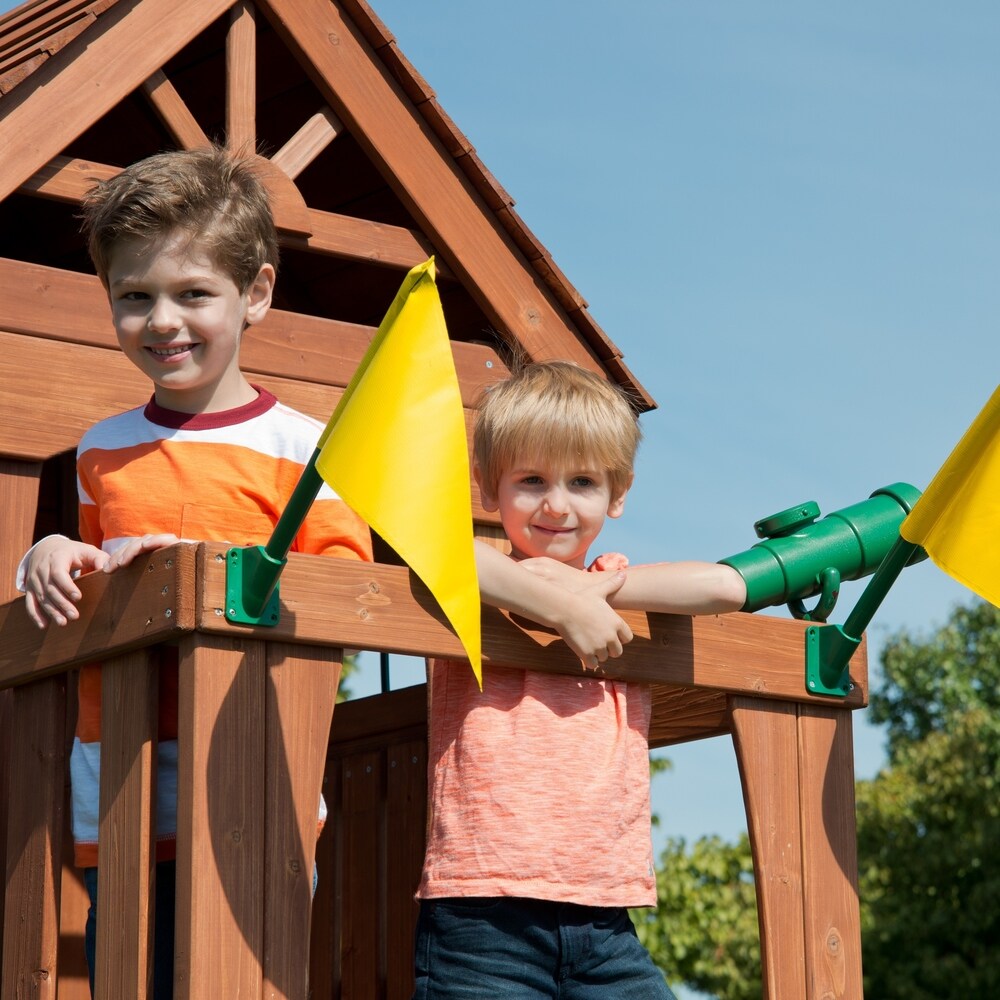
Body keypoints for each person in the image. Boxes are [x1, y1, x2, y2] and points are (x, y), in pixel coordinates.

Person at [16, 145, 373, 999]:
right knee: (128, 974)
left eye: (193, 294)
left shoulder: (307, 448)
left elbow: (345, 597)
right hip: (125, 781)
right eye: (134, 297)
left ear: (254, 292)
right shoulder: (101, 449)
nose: (162, 320)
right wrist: (53, 555)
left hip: (255, 777)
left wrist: (194, 574)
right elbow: (94, 576)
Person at [412, 360, 747, 1000]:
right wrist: (563, 608)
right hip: (483, 911)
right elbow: (433, 550)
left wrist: (594, 590)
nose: (556, 504)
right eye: (531, 479)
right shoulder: (470, 578)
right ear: (489, 487)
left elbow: (723, 585)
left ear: (617, 493)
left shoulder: (613, 581)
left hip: (603, 915)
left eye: (584, 481)